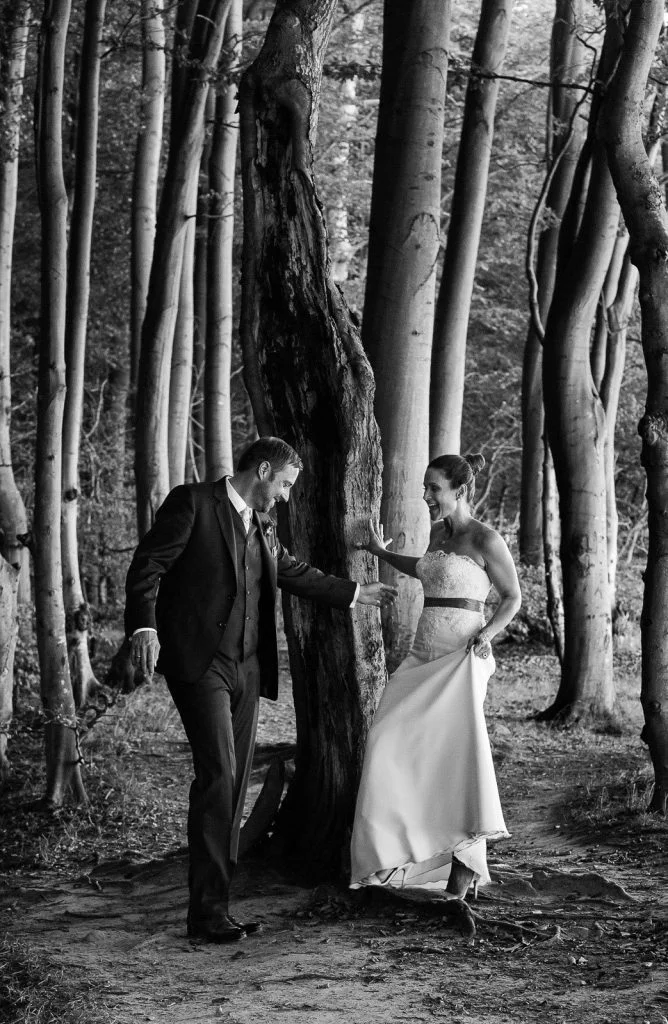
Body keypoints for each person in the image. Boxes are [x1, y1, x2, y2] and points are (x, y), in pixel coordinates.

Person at [125, 436, 397, 944]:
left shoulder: (262, 524)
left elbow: (289, 571)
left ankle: (214, 908)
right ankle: (206, 912)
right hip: (200, 665)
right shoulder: (193, 503)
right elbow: (147, 567)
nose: (288, 496)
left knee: (234, 776)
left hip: (248, 670)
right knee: (221, 777)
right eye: (287, 484)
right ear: (264, 470)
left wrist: (355, 592)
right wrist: (145, 628)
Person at [350, 452, 521, 900]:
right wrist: (380, 552)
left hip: (462, 656)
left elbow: (512, 597)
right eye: (425, 487)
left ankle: (462, 872)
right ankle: (395, 852)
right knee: (386, 738)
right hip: (421, 655)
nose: (426, 496)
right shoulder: (438, 534)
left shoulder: (485, 539)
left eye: (434, 488)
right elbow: (423, 568)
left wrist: (487, 633)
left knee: (457, 755)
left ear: (459, 490)